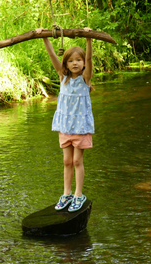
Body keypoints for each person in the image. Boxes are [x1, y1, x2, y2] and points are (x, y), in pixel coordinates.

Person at [36, 27, 94, 212]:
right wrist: (45, 38)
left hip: (81, 128)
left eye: (78, 60)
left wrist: (89, 39)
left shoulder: (85, 79)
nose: (75, 63)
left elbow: (90, 59)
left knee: (78, 161)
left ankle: (78, 194)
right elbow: (53, 55)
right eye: (71, 61)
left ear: (83, 63)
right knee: (67, 162)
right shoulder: (63, 78)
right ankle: (66, 193)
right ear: (66, 64)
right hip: (65, 127)